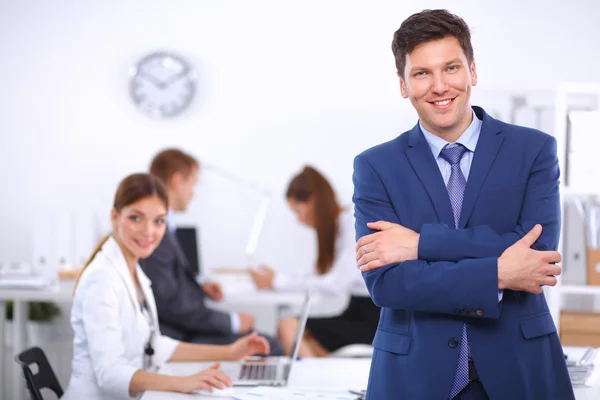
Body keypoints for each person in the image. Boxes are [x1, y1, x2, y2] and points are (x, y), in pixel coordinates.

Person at [352, 9, 574, 400]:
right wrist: (498, 273)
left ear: (472, 70)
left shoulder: (534, 150)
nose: (439, 86)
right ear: (403, 85)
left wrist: (421, 245)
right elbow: (389, 284)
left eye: (451, 68)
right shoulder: (375, 166)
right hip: (414, 379)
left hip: (519, 372)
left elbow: (537, 255)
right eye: (421, 73)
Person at [63, 173, 270, 400]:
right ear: (114, 216)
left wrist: (230, 352)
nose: (149, 232)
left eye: (159, 221)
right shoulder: (102, 279)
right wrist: (182, 383)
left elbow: (153, 345)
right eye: (136, 218)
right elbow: (110, 376)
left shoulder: (134, 272)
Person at [139, 148, 283, 354]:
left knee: (265, 342)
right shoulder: (154, 232)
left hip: (183, 327)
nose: (193, 193)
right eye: (193, 184)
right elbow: (169, 304)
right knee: (270, 346)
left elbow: (165, 285)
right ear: (177, 181)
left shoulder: (165, 226)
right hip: (177, 335)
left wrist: (199, 286)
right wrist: (232, 321)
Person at [249, 166, 379, 357]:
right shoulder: (340, 226)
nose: (299, 221)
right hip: (357, 310)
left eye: (298, 212)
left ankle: (305, 382)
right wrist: (277, 279)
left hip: (373, 317)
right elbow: (321, 276)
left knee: (289, 326)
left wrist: (277, 281)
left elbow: (336, 285)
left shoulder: (353, 223)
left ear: (312, 201)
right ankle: (312, 381)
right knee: (302, 337)